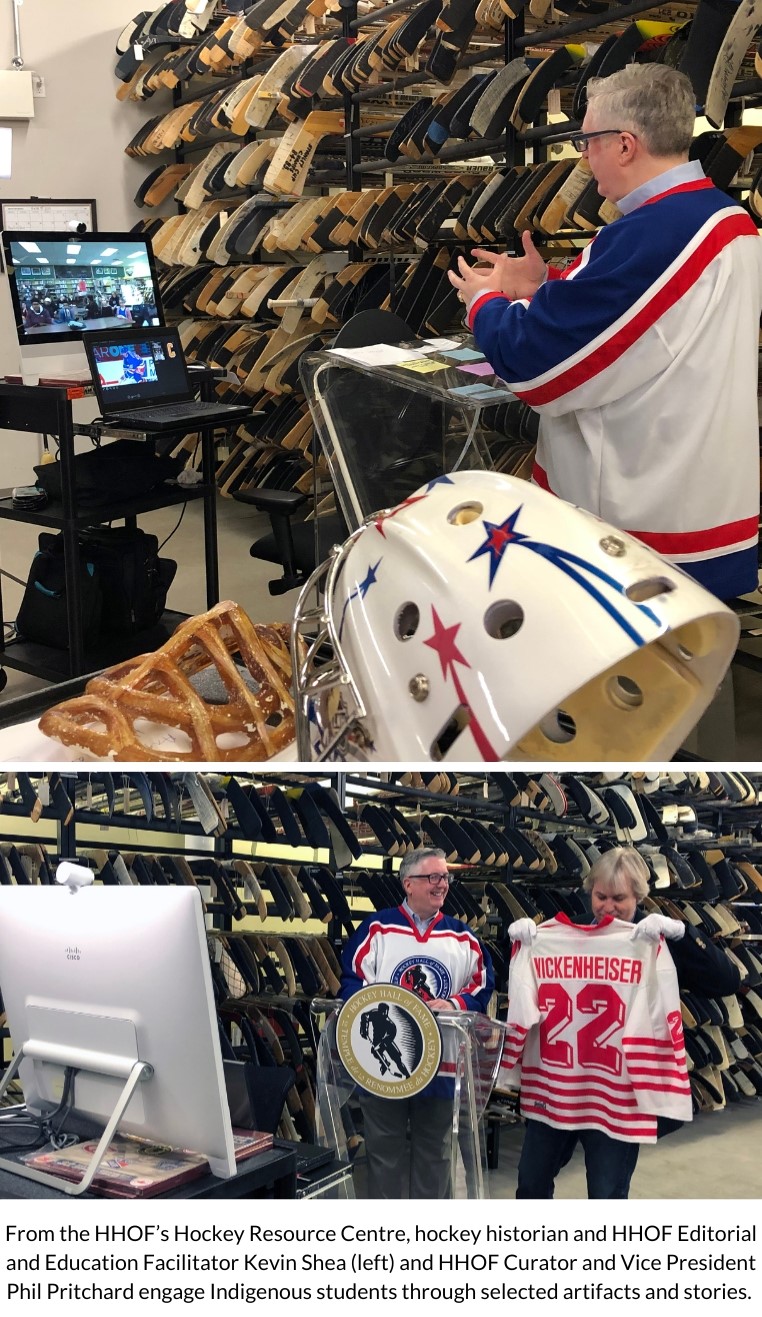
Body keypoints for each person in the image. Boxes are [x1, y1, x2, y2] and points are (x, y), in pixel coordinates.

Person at [447, 64, 762, 601]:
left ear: (624, 144)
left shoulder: (659, 233)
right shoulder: (725, 216)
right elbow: (645, 326)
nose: (584, 155)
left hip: (639, 528)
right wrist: (543, 286)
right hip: (695, 495)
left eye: (588, 140)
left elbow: (539, 365)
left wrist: (484, 302)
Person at [505, 846, 741, 1199]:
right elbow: (517, 982)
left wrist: (681, 933)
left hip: (617, 1098)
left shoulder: (652, 938)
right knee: (530, 1185)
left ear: (639, 897)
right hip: (557, 1088)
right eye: (600, 897)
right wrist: (517, 942)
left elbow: (726, 981)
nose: (608, 907)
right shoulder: (561, 934)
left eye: (619, 899)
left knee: (607, 1197)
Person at [339, 846, 494, 1198]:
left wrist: (454, 1003)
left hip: (442, 1065)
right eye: (433, 877)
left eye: (445, 877)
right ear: (408, 883)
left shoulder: (462, 937)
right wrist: (378, 1009)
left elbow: (482, 983)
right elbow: (351, 983)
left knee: (435, 1157)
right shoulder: (377, 930)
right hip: (383, 1073)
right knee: (384, 1155)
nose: (442, 884)